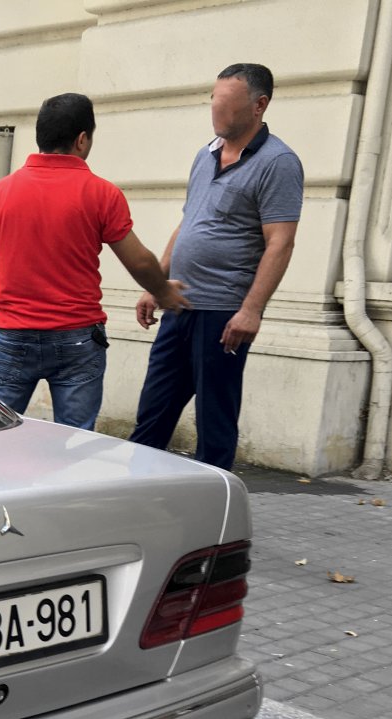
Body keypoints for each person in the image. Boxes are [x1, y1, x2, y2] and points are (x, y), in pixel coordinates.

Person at [0, 93, 188, 430]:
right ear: (82, 139)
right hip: (77, 338)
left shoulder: (2, 192)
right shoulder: (102, 194)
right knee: (76, 442)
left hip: (13, 335)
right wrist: (162, 291)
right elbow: (140, 262)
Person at [129, 63, 303, 469]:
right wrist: (156, 284)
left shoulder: (279, 162)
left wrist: (251, 309)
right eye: (213, 102)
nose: (216, 112)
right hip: (179, 304)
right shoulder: (205, 154)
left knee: (215, 424)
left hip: (224, 314)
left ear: (259, 105)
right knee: (151, 416)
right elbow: (188, 221)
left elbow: (281, 241)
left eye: (226, 105)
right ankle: (134, 500)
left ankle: (215, 518)